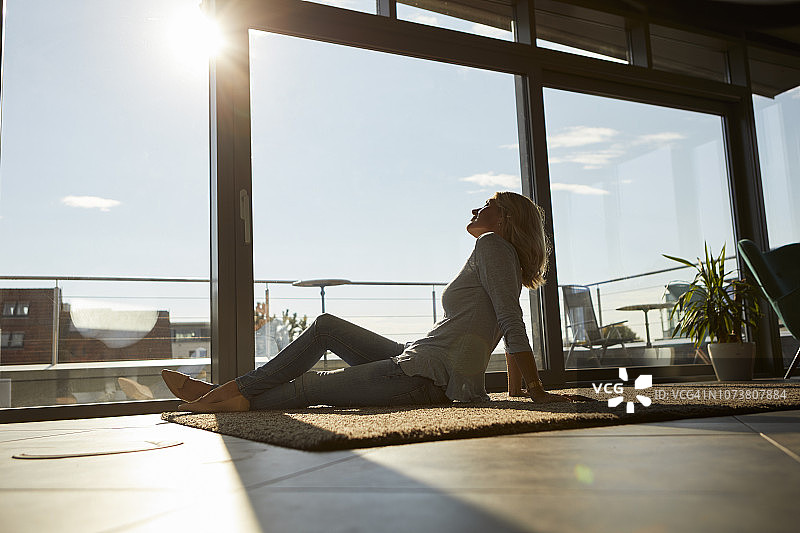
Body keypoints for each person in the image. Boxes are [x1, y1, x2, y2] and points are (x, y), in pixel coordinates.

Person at [162, 191, 584, 412]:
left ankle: (227, 397)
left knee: (311, 389)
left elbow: (510, 322)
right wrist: (518, 392)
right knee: (326, 324)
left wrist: (536, 391)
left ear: (505, 221)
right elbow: (505, 320)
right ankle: (230, 394)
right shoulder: (499, 255)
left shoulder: (493, 245)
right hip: (418, 360)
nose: (477, 208)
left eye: (488, 205)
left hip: (425, 380)